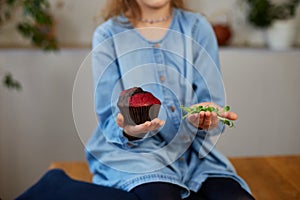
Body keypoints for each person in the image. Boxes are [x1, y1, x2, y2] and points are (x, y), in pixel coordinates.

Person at [16, 0, 255, 199]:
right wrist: (130, 129)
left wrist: (206, 119)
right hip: (134, 154)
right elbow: (110, 120)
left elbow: (211, 101)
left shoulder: (197, 27)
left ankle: (56, 188)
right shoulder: (108, 35)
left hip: (193, 155)